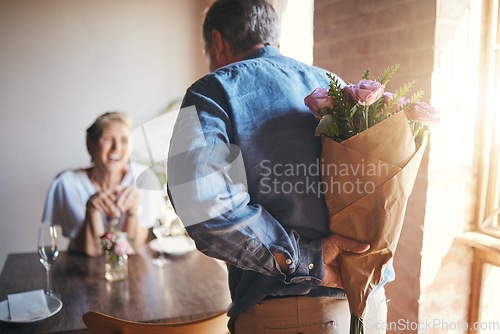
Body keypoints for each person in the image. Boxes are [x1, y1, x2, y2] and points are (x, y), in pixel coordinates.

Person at [167, 0, 392, 333]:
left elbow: (201, 201)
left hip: (291, 317)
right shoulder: (335, 86)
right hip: (370, 303)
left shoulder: (213, 91)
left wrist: (305, 259)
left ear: (217, 42)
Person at [42, 111, 165, 256]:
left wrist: (133, 211)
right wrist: (92, 210)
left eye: (124, 140)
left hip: (133, 270)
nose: (116, 148)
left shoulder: (143, 178)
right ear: (90, 145)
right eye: (107, 139)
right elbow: (91, 251)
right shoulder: (68, 184)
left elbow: (133, 247)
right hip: (81, 269)